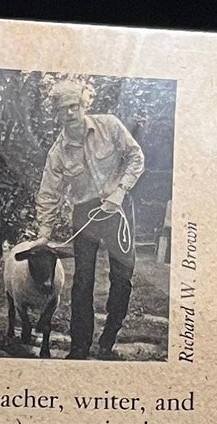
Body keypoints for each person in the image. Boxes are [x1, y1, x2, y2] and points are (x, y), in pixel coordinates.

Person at [34, 81, 145, 359]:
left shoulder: (110, 125)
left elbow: (136, 157)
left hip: (118, 208)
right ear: (57, 114)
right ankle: (79, 347)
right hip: (86, 214)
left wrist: (120, 191)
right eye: (63, 109)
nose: (70, 113)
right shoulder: (58, 152)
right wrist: (45, 233)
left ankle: (108, 340)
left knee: (122, 276)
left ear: (84, 105)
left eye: (74, 106)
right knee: (82, 281)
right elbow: (49, 192)